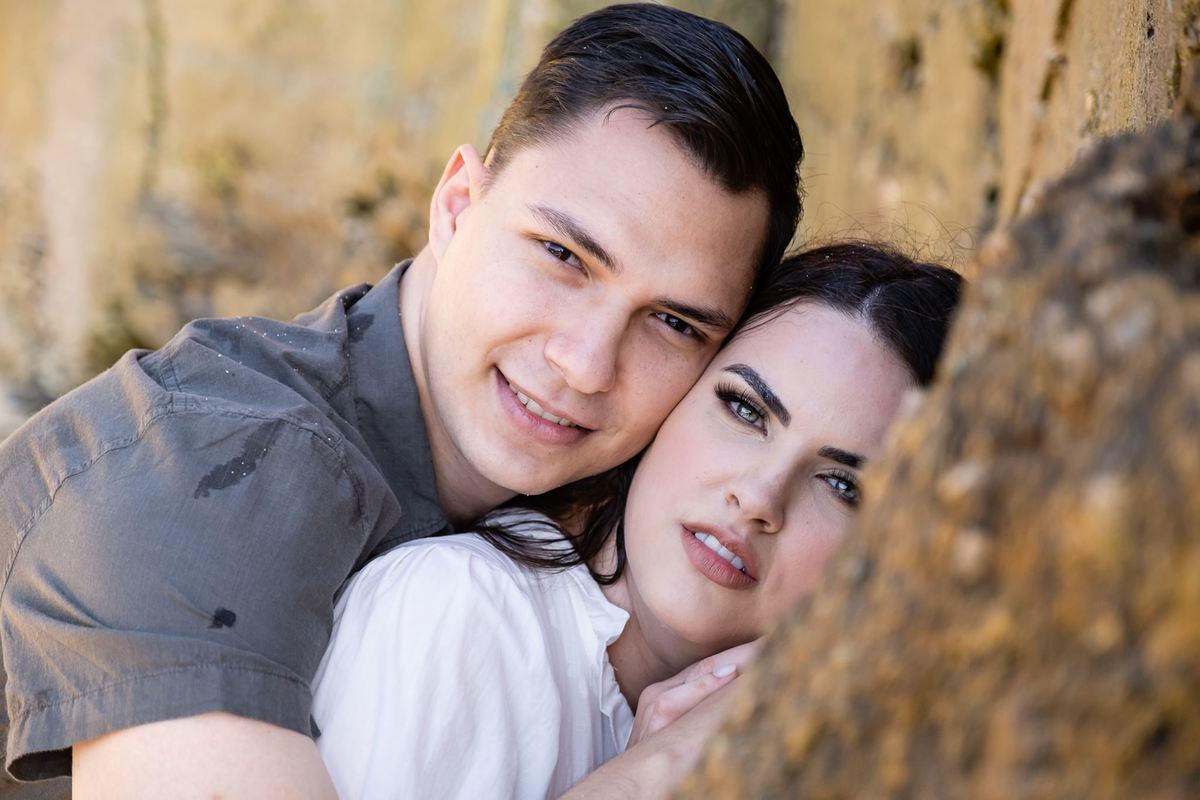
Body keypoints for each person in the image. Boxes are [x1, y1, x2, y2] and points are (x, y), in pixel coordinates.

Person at [0, 5, 803, 798]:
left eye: (672, 324)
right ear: (456, 204)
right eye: (563, 256)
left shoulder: (601, 531)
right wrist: (650, 773)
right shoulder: (206, 471)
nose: (586, 364)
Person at [309, 243, 964, 798]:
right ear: (674, 399)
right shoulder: (462, 618)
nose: (760, 497)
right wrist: (650, 774)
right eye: (744, 410)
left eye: (844, 485)